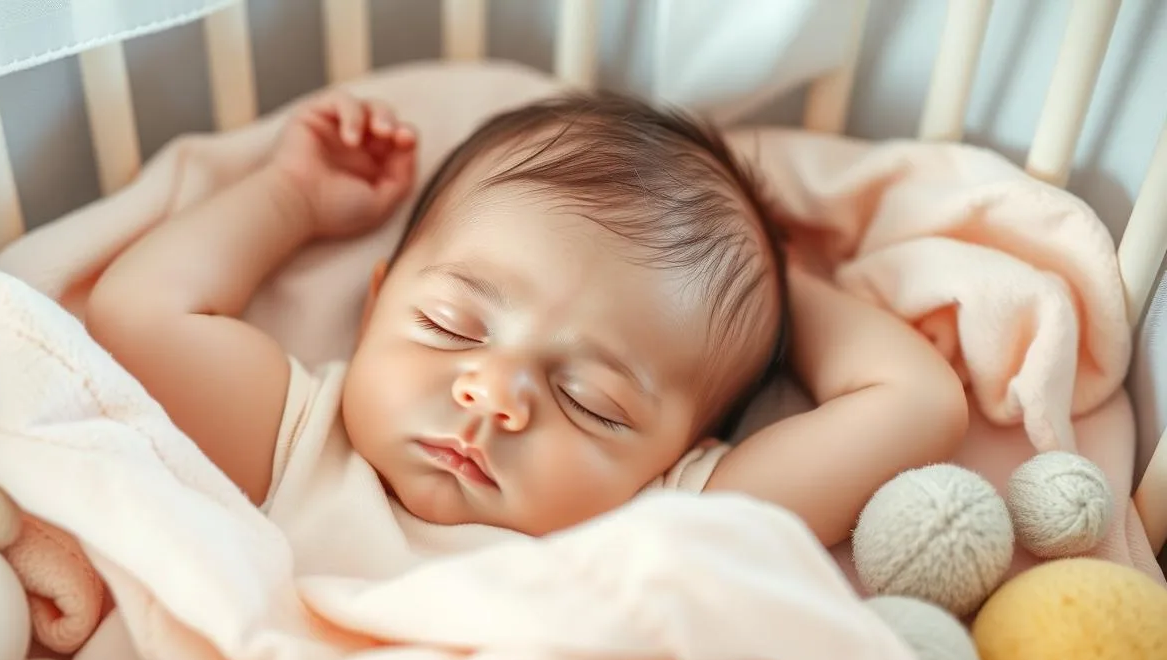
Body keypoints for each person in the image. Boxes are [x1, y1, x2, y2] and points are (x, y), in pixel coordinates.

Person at [86, 89, 967, 546]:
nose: (495, 392)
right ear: (374, 303)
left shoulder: (661, 521)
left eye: (593, 401)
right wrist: (290, 197)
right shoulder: (303, 443)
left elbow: (916, 400)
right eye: (451, 324)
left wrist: (779, 277)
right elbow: (137, 314)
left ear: (682, 453)